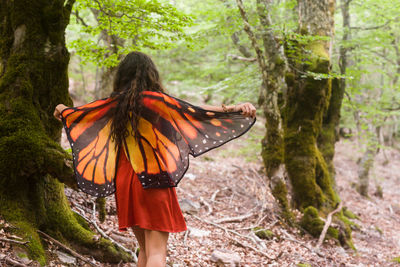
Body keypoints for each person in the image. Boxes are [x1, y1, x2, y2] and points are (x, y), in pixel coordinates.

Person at [53, 51, 256, 267]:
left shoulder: (114, 104)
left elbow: (77, 114)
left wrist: (63, 109)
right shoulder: (156, 101)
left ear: (122, 76)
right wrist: (234, 109)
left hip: (125, 183)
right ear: (151, 75)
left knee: (146, 251)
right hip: (152, 179)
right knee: (157, 252)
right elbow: (195, 112)